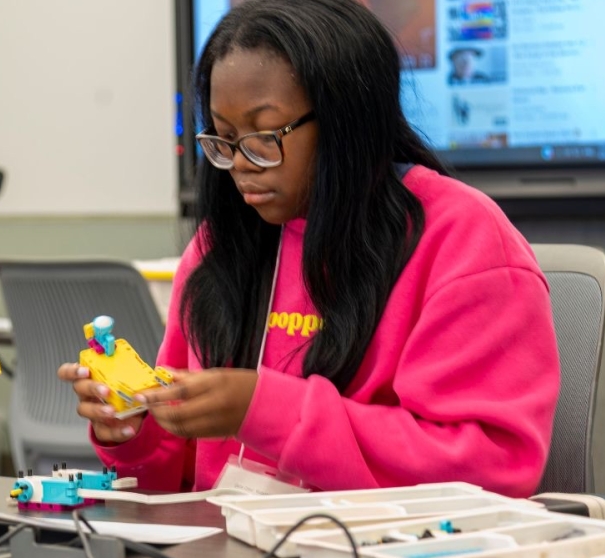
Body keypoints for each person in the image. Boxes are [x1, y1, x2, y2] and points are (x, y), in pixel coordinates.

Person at [59, 0, 559, 498]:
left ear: (345, 121)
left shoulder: (461, 239)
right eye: (225, 138)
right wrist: (132, 429)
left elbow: (490, 469)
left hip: (382, 546)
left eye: (263, 136)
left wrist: (265, 411)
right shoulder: (220, 246)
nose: (241, 164)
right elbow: (170, 487)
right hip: (226, 544)